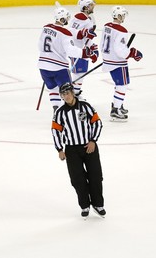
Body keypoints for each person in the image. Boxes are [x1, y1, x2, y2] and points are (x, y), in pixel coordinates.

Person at [51, 82, 105, 219]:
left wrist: (93, 140)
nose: (66, 96)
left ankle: (98, 204)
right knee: (77, 179)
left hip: (89, 147)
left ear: (73, 93)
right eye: (63, 95)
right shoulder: (60, 113)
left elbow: (97, 122)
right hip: (71, 150)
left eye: (68, 93)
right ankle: (85, 205)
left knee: (96, 176)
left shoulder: (85, 106)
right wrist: (60, 149)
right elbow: (55, 131)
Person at [38, 6, 98, 112]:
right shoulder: (65, 33)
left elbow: (39, 45)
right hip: (59, 68)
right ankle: (72, 113)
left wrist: (82, 32)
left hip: (43, 67)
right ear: (64, 19)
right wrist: (86, 53)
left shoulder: (45, 28)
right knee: (68, 92)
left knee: (53, 89)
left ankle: (56, 111)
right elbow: (71, 50)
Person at [100, 6, 143, 121]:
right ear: (118, 15)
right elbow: (120, 50)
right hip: (118, 62)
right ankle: (116, 110)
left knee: (119, 84)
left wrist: (106, 56)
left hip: (108, 60)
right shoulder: (121, 30)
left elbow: (103, 44)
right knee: (122, 85)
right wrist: (132, 53)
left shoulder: (106, 26)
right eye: (122, 15)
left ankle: (118, 104)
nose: (123, 17)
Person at [68, 0, 98, 98]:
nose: (92, 7)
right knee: (79, 72)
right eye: (90, 5)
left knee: (81, 72)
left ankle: (75, 92)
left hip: (81, 49)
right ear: (85, 7)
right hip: (77, 49)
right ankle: (74, 94)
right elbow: (71, 32)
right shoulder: (82, 19)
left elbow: (87, 38)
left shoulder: (85, 19)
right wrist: (83, 33)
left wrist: (93, 48)